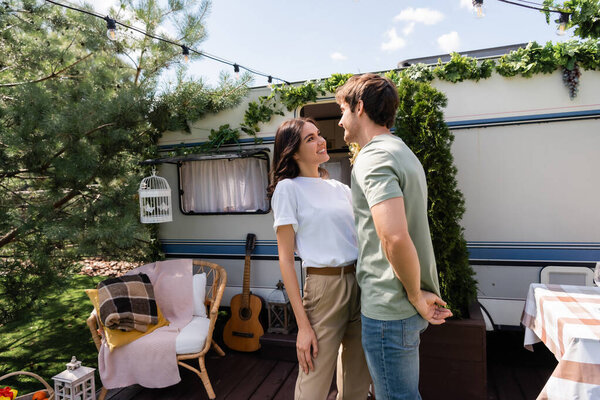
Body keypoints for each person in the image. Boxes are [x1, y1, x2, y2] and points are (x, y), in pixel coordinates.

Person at [335, 73, 453, 400]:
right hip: (401, 306)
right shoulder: (400, 150)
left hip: (390, 307)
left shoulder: (372, 158)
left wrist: (414, 295)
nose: (341, 122)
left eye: (343, 110)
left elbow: (395, 238)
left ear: (359, 107)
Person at [268, 117, 371, 400]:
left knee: (357, 379)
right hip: (325, 288)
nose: (321, 140)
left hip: (360, 281)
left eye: (319, 134)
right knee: (314, 379)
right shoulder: (288, 189)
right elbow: (286, 260)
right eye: (310, 139)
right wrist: (302, 326)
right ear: (293, 151)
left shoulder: (340, 189)